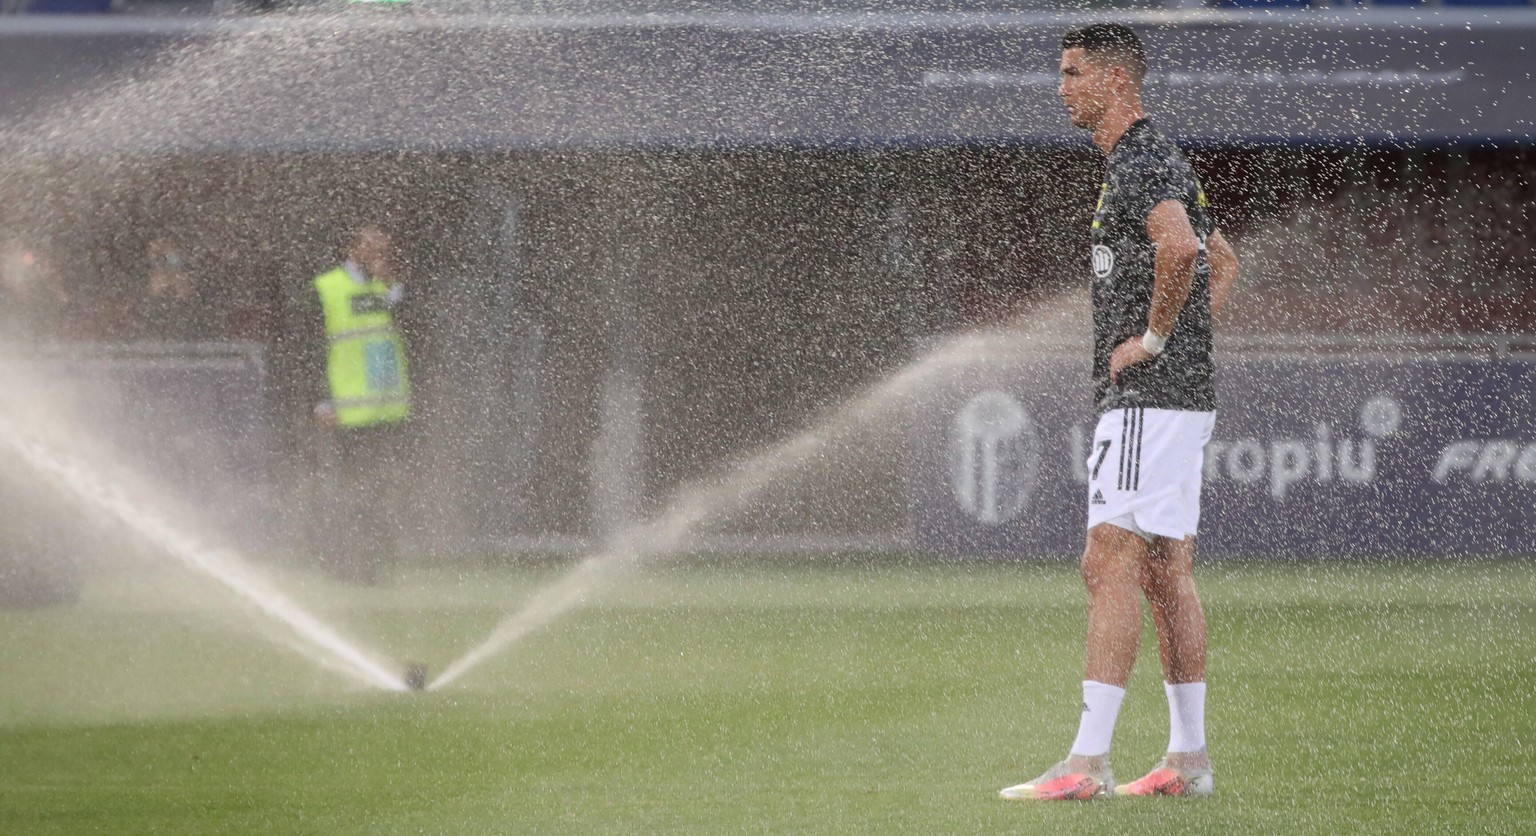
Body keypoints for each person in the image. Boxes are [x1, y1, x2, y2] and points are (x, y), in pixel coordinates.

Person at [999, 23, 1241, 801]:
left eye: (1073, 74)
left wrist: (1156, 340)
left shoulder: (1140, 159)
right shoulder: (1150, 159)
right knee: (1167, 571)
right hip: (1177, 397)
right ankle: (1188, 761)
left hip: (1147, 401)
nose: (1061, 88)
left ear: (1115, 82)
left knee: (1108, 560)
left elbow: (1179, 250)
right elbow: (1222, 258)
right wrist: (1191, 345)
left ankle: (1087, 763)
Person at [298, 226, 413, 584]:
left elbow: (407, 327)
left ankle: (371, 565)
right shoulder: (327, 288)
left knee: (379, 491)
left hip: (385, 411)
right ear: (352, 248)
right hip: (344, 411)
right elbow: (308, 348)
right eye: (371, 245)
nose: (379, 252)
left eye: (384, 246)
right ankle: (339, 562)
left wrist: (392, 283)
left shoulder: (388, 289)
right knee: (346, 492)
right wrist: (319, 401)